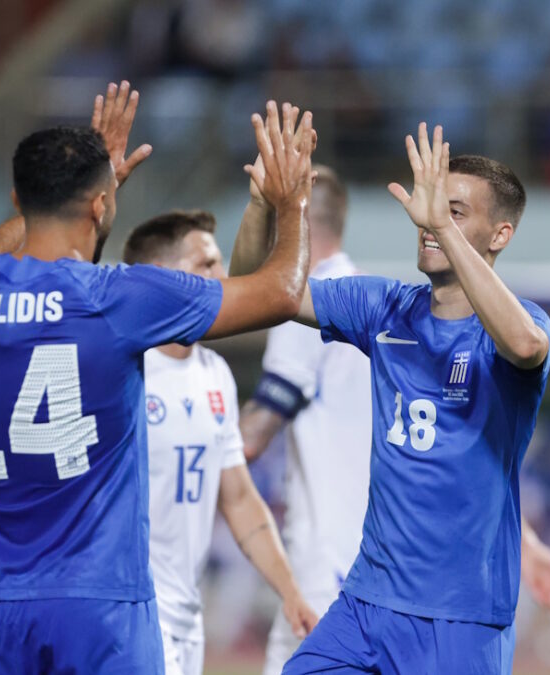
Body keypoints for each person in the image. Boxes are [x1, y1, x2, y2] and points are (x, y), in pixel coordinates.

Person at [0, 84, 315, 673]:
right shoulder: (115, 299)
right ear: (101, 207)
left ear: (16, 200)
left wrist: (80, 192)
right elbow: (284, 292)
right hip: (97, 604)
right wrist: (293, 202)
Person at [231, 124, 550, 674]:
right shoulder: (384, 308)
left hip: (459, 616)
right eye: (431, 205)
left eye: (454, 211)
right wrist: (269, 206)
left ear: (500, 235)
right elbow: (254, 293)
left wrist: (440, 227)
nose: (429, 220)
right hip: (364, 604)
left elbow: (525, 346)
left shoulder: (522, 325)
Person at [123, 210, 317, 675]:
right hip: (132, 613)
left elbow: (239, 498)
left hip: (188, 615)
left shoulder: (214, 374)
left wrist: (290, 592)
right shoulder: (124, 371)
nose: (221, 276)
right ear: (160, 278)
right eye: (205, 264)